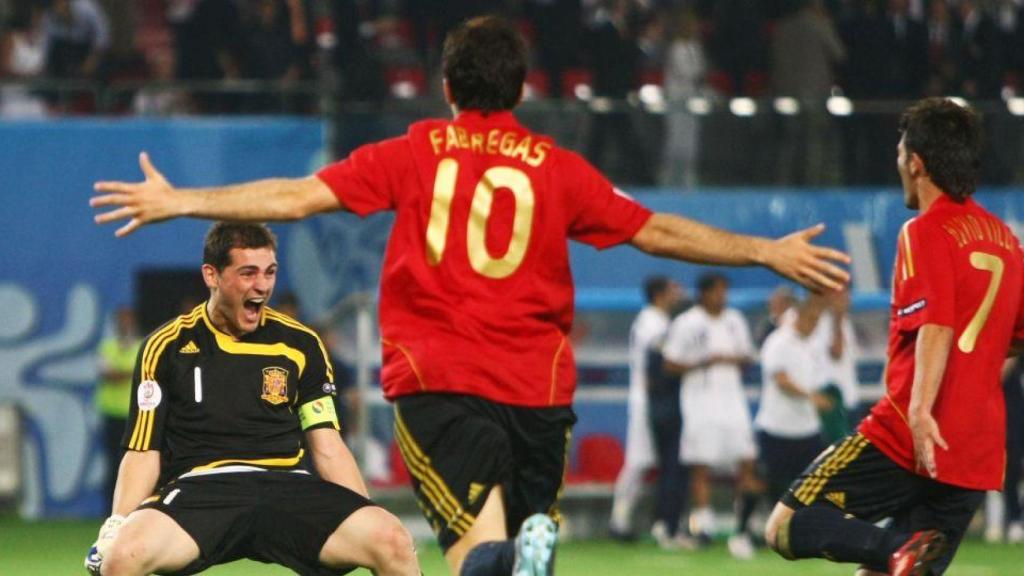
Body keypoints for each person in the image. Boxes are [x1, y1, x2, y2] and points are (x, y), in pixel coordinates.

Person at [90, 16, 848, 576]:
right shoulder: (557, 166)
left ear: (447, 87)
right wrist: (764, 250)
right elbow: (655, 231)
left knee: (473, 553)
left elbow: (295, 197)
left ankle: (505, 558)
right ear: (520, 90)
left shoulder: (417, 151)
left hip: (442, 379)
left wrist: (182, 199)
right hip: (539, 388)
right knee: (514, 544)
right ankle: (528, 551)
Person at [764, 97, 1024, 576]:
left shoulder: (923, 231)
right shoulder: (1006, 241)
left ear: (916, 163)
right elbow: (1013, 335)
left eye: (900, 151)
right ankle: (899, 553)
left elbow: (937, 324)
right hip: (975, 449)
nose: (897, 161)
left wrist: (923, 409)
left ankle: (894, 549)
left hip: (909, 432)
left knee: (787, 523)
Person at [84, 223, 418, 576]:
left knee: (392, 540)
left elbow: (328, 447)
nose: (262, 285)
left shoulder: (301, 344)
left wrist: (360, 513)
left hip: (288, 485)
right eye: (248, 273)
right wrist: (117, 525)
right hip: (202, 489)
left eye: (270, 272)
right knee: (123, 558)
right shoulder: (166, 346)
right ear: (211, 275)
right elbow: (142, 450)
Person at [662, 273, 761, 559]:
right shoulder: (687, 323)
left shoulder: (734, 320)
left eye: (725, 291)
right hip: (700, 402)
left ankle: (745, 524)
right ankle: (703, 524)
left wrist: (731, 359)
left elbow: (747, 355)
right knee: (700, 464)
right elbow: (669, 364)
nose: (723, 297)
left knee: (746, 460)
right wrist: (703, 361)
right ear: (704, 293)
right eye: (718, 291)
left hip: (733, 401)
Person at [608, 276, 689, 548]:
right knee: (639, 461)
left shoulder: (659, 320)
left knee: (651, 463)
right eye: (672, 289)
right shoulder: (652, 322)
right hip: (647, 399)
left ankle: (630, 521)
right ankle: (619, 522)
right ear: (659, 294)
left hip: (656, 399)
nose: (678, 293)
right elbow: (661, 363)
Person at [756, 295, 830, 503]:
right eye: (811, 320)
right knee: (776, 485)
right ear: (799, 315)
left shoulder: (813, 345)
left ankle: (802, 530)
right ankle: (758, 529)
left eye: (817, 321)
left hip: (807, 428)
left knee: (810, 486)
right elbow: (781, 380)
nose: (814, 325)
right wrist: (811, 397)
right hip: (778, 427)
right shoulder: (778, 342)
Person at [95, 305, 142, 504]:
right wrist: (130, 372)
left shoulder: (142, 345)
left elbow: (143, 375)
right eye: (121, 320)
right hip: (111, 414)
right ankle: (111, 512)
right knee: (113, 465)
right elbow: (108, 375)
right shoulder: (107, 346)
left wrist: (121, 372)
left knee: (136, 464)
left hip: (135, 415)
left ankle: (134, 509)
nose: (124, 324)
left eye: (128, 319)